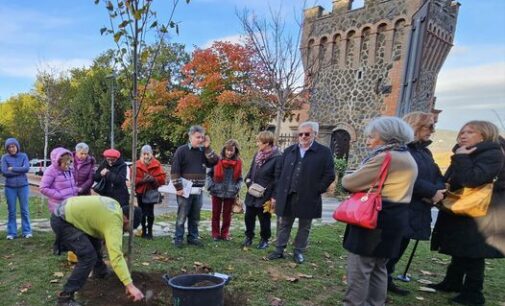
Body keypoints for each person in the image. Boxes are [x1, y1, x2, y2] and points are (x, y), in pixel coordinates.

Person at [340, 116, 418, 306]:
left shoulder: (386, 157)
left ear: (386, 136)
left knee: (360, 269)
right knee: (379, 268)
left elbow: (348, 183)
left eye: (371, 136)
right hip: (395, 218)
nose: (368, 141)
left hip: (374, 220)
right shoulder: (407, 156)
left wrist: (351, 175)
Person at [430, 121, 505, 306]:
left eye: (470, 132)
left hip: (482, 211)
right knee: (461, 248)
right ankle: (453, 282)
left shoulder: (493, 153)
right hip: (467, 207)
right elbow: (453, 178)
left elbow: (472, 179)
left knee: (473, 253)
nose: (463, 135)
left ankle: (473, 294)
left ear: (484, 135)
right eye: (462, 131)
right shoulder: (467, 151)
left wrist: (461, 158)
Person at [385, 112, 446, 295]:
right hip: (401, 206)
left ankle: (387, 279)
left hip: (418, 208)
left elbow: (437, 176)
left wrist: (438, 191)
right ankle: (380, 283)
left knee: (401, 245)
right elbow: (405, 177)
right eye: (429, 126)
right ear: (415, 126)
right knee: (390, 248)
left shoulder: (425, 152)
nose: (432, 131)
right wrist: (431, 192)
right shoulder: (401, 150)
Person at [50, 196, 144, 306]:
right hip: (63, 220)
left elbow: (97, 219)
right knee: (88, 256)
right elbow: (116, 257)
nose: (125, 230)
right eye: (127, 228)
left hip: (70, 212)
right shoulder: (114, 222)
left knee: (95, 243)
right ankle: (65, 298)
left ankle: (100, 271)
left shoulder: (115, 206)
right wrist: (130, 286)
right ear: (126, 219)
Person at [267, 121, 335, 264]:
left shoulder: (324, 152)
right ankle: (279, 250)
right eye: (301, 134)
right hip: (288, 194)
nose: (303, 136)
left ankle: (298, 251)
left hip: (309, 196)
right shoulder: (289, 151)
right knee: (285, 223)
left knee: (304, 226)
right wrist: (278, 191)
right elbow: (278, 172)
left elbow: (329, 175)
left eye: (307, 134)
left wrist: (317, 189)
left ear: (315, 135)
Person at [171, 125, 219, 247]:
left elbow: (214, 161)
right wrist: (179, 188)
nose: (200, 140)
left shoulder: (204, 151)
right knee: (182, 215)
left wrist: (208, 147)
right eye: (198, 137)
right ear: (190, 136)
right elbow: (175, 170)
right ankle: (178, 238)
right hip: (185, 190)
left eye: (202, 137)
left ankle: (193, 237)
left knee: (195, 216)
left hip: (198, 190)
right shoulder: (181, 150)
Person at [243, 131, 281, 249]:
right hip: (252, 192)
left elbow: (277, 179)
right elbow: (251, 170)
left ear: (267, 143)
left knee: (264, 219)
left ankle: (264, 239)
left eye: (259, 141)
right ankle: (249, 236)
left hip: (266, 194)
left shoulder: (277, 157)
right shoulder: (257, 154)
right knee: (248, 216)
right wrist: (248, 181)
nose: (257, 143)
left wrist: (274, 197)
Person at [206, 139, 243, 241]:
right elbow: (209, 174)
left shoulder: (238, 162)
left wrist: (237, 188)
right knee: (215, 214)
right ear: (224, 149)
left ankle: (224, 234)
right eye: (227, 150)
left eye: (232, 151)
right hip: (216, 191)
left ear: (235, 151)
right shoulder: (216, 160)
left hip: (230, 193)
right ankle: (215, 234)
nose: (229, 152)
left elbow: (240, 179)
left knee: (227, 215)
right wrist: (211, 186)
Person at [1, 138, 32, 239]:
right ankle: (11, 233)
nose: (11, 149)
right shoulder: (4, 157)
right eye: (9, 147)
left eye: (13, 146)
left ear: (17, 146)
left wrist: (13, 168)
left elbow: (26, 168)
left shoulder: (24, 156)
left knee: (24, 210)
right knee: (12, 211)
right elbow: (5, 172)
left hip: (23, 186)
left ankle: (27, 231)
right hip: (10, 188)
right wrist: (20, 170)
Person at [134, 145, 166, 239]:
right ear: (141, 154)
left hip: (151, 191)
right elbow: (133, 179)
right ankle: (144, 230)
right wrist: (142, 180)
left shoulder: (157, 164)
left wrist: (153, 179)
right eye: (144, 154)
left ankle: (150, 232)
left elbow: (162, 179)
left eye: (148, 154)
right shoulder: (137, 164)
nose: (146, 156)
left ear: (151, 154)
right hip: (140, 192)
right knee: (142, 213)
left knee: (150, 212)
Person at [40, 147, 79, 214]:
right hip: (58, 206)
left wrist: (75, 189)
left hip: (70, 204)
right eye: (65, 164)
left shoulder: (70, 169)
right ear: (58, 162)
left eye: (69, 163)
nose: (68, 166)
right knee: (60, 224)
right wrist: (59, 195)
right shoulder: (51, 171)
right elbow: (43, 188)